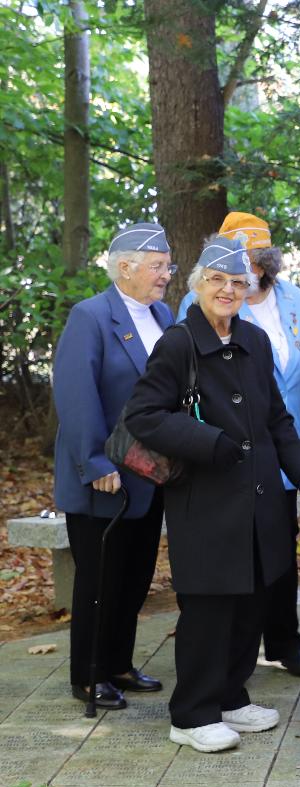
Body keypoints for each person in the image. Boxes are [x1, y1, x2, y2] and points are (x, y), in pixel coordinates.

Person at [126, 236, 300, 753]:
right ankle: (191, 713)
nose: (229, 290)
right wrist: (208, 441)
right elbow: (143, 415)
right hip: (205, 503)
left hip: (258, 501)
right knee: (210, 609)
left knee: (250, 602)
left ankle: (231, 696)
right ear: (198, 286)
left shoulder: (254, 341)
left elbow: (276, 414)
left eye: (239, 283)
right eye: (218, 280)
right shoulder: (179, 343)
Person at [178, 212, 300, 676]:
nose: (244, 273)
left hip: (282, 442)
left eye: (254, 261)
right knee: (233, 556)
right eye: (233, 264)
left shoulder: (295, 300)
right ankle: (221, 662)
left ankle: (283, 639)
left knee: (277, 547)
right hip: (222, 455)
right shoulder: (195, 308)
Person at [52, 223, 174, 710]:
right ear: (125, 267)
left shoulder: (161, 313)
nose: (167, 275)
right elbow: (75, 395)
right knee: (99, 579)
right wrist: (96, 460)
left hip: (147, 472)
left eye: (168, 265)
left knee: (135, 574)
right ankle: (88, 673)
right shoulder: (91, 316)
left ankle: (119, 664)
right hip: (103, 474)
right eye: (158, 266)